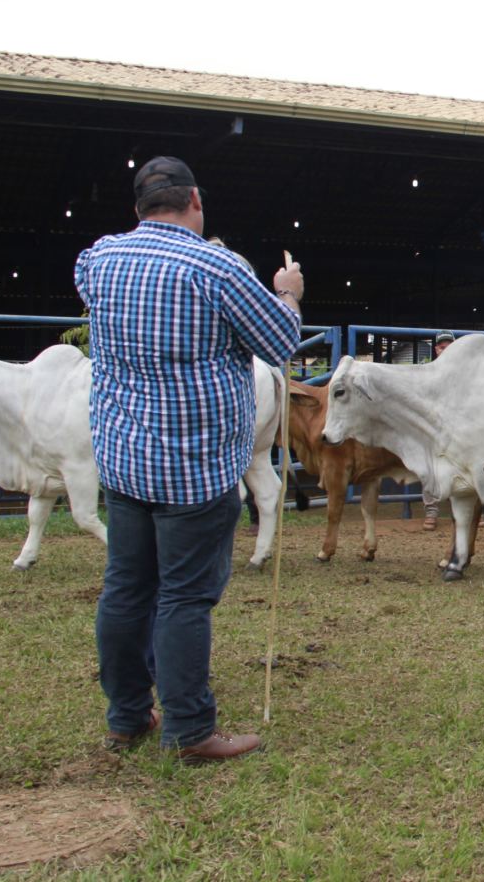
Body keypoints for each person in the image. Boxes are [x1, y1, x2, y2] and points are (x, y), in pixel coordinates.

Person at [76, 156, 302, 764]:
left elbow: (95, 295)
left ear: (138, 209)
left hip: (124, 460)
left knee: (126, 589)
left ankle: (126, 717)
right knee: (183, 597)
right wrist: (287, 295)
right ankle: (189, 729)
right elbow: (279, 343)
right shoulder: (219, 267)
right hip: (195, 469)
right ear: (195, 201)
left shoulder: (98, 259)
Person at [420, 332, 455, 531]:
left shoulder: (463, 374)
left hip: (456, 430)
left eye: (449, 346)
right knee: (429, 470)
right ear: (436, 349)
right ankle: (431, 512)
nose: (444, 350)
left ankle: (461, 513)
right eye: (441, 347)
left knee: (460, 470)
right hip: (433, 428)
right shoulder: (427, 373)